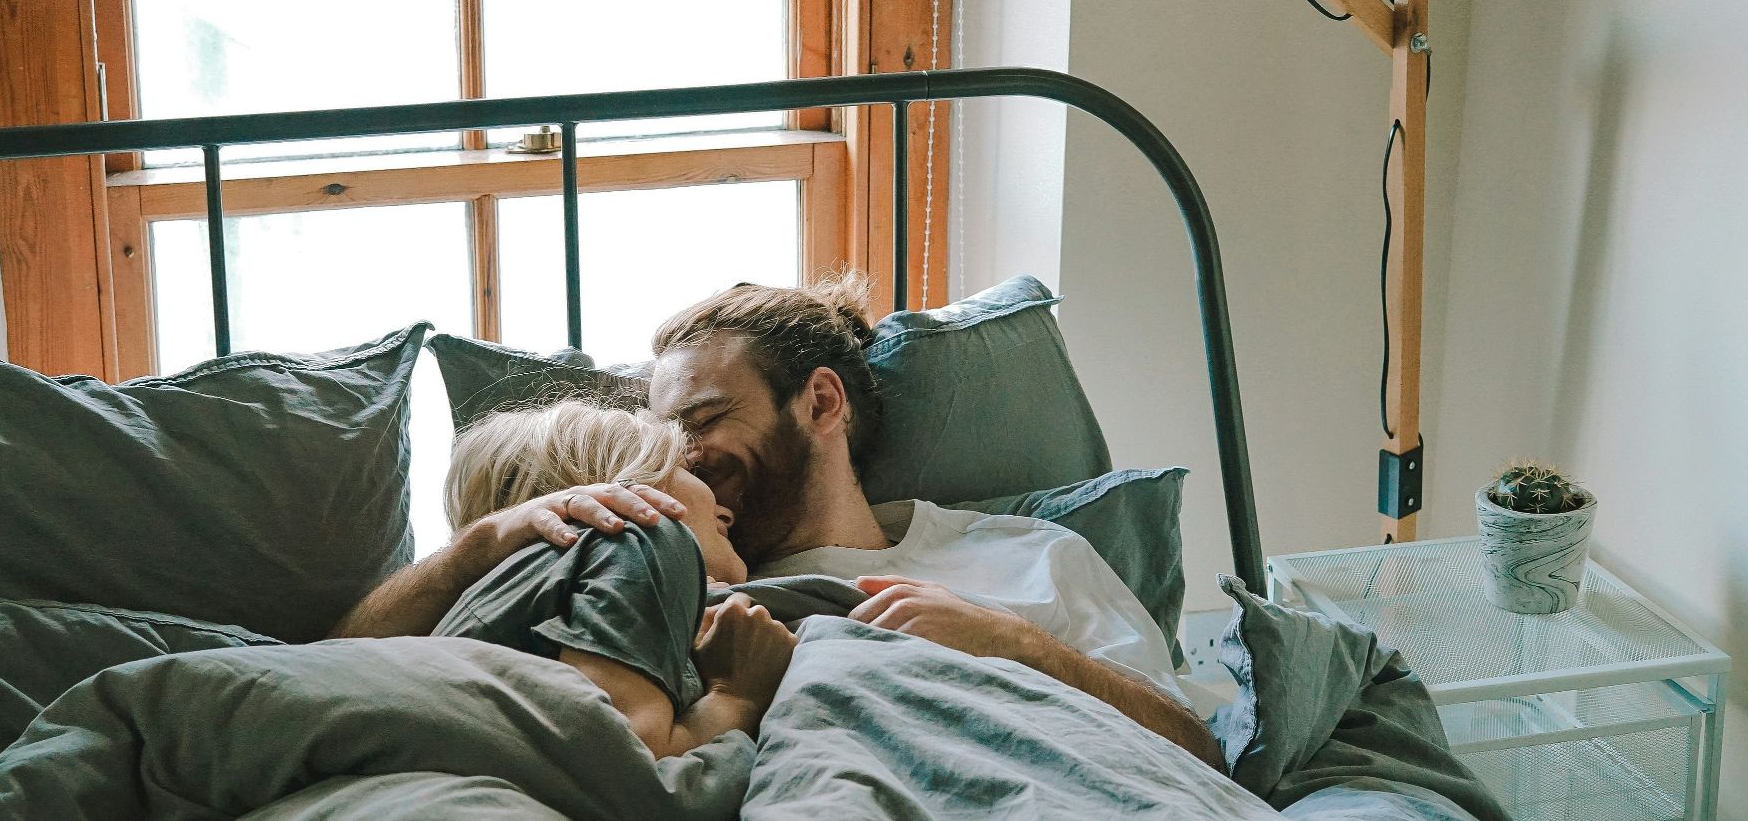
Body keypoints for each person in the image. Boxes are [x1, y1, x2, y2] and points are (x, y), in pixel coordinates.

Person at [333, 276, 1222, 771]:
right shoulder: (651, 563)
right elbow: (348, 665)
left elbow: (1202, 754)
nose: (678, 455)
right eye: (661, 436)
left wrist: (1015, 647)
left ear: (821, 403)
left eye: (704, 421)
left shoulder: (1029, 560)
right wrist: (486, 543)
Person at [371, 399, 795, 760]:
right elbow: (630, 762)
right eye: (692, 473)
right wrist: (735, 698)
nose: (727, 510)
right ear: (623, 482)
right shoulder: (637, 539)